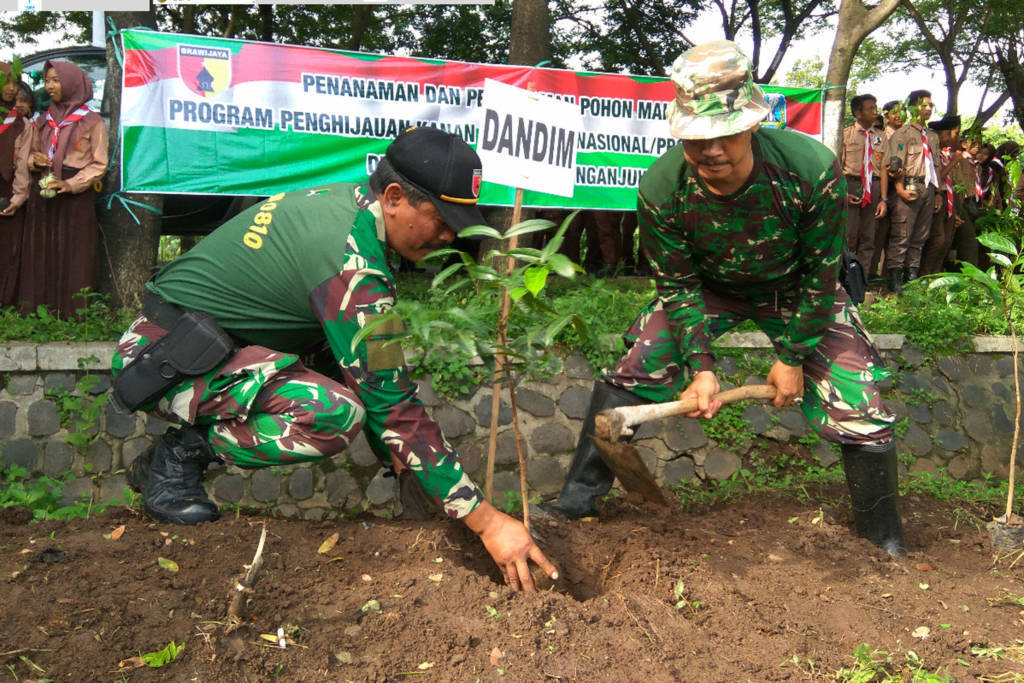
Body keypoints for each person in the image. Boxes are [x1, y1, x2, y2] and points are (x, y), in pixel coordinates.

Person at [109, 126, 558, 592]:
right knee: (333, 415)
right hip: (161, 362)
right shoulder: (350, 260)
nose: (447, 237)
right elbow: (390, 403)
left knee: (354, 381)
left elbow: (376, 368)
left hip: (205, 350)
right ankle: (176, 457)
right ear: (394, 196)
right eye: (439, 219)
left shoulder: (350, 212)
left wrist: (403, 463)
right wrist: (487, 523)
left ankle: (176, 456)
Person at [544, 40, 905, 557]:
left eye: (725, 133)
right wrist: (702, 365)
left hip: (798, 291)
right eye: (696, 136)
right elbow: (676, 284)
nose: (710, 149)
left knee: (862, 409)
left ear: (752, 124)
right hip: (709, 290)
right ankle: (577, 502)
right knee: (635, 369)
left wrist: (792, 358)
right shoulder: (662, 187)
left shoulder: (810, 170)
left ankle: (882, 540)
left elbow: (822, 275)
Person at [0, 60, 108, 316]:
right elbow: (30, 152)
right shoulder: (42, 121)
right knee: (40, 252)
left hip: (73, 197)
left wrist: (70, 184)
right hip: (43, 193)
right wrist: (33, 159)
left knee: (73, 253)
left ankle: (71, 313)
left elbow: (99, 163)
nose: (50, 86)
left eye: (56, 80)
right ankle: (37, 311)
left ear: (71, 83)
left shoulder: (91, 122)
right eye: (47, 80)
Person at [884, 90, 940, 292]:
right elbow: (895, 164)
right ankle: (894, 278)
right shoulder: (903, 134)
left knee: (920, 236)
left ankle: (911, 276)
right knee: (902, 233)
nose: (928, 109)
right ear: (913, 107)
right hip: (909, 185)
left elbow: (935, 165)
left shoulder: (932, 136)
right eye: (924, 105)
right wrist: (899, 189)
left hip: (928, 187)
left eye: (930, 106)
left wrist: (939, 193)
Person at [841, 94, 888, 271]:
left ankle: (862, 281)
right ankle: (845, 277)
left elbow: (884, 168)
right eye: (870, 109)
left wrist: (884, 199)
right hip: (851, 185)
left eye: (876, 108)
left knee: (869, 236)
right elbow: (838, 165)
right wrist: (842, 191)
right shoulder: (846, 134)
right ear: (858, 113)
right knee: (849, 235)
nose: (875, 112)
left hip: (873, 186)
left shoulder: (881, 137)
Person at [0, 62, 27, 308]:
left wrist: (18, 198)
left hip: (7, 196)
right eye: (6, 82)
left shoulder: (21, 123)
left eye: (15, 83)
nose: (11, 89)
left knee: (7, 248)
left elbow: (22, 167)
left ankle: (4, 302)